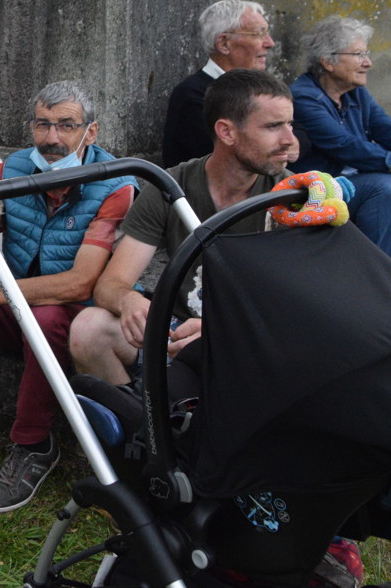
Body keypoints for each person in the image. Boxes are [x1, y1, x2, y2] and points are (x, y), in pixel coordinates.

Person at [0, 81, 137, 513]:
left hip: (74, 314)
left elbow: (81, 283)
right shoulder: (14, 167)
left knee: (48, 316)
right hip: (17, 302)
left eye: (66, 126)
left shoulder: (115, 183)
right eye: (42, 124)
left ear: (90, 132)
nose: (52, 139)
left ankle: (34, 443)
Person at [71, 69, 297, 386]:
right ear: (227, 132)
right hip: (177, 331)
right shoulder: (170, 186)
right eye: (274, 126)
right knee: (88, 330)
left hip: (249, 336)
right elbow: (111, 284)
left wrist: (217, 332)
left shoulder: (291, 197)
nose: (290, 139)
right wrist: (129, 301)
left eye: (290, 124)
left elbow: (296, 309)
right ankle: (144, 428)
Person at [290, 17, 391, 281]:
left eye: (367, 54)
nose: (368, 62)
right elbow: (345, 145)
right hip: (316, 195)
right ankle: (381, 284)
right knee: (384, 185)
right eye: (359, 54)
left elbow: (389, 130)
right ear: (328, 61)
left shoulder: (355, 94)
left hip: (348, 191)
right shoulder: (304, 96)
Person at [161, 0, 274, 167]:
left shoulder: (264, 87)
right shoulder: (193, 95)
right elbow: (236, 156)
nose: (269, 43)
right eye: (258, 34)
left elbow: (303, 138)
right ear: (223, 43)